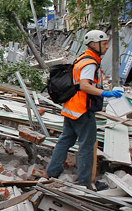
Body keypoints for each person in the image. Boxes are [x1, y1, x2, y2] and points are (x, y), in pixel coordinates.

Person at [46, 30, 123, 188]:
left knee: (65, 140)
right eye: (105, 43)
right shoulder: (90, 63)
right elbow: (84, 85)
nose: (107, 47)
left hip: (71, 108)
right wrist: (105, 93)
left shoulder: (83, 58)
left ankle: (52, 172)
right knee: (87, 145)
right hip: (82, 110)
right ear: (95, 44)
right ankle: (85, 183)